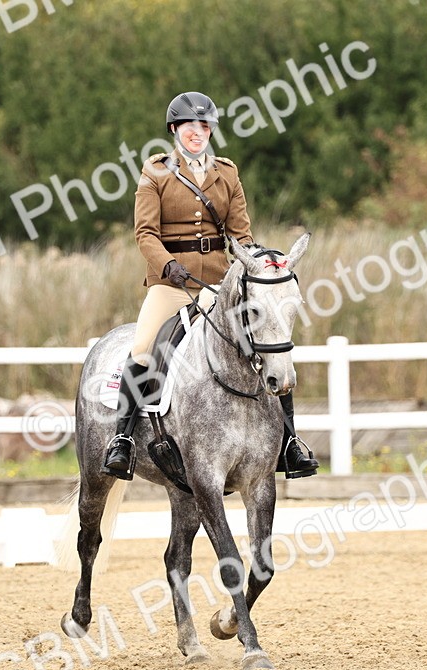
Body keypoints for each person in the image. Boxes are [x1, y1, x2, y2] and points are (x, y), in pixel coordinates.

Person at [102, 91, 318, 481]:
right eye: (190, 127)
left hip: (221, 281)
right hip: (171, 283)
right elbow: (145, 234)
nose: (197, 133)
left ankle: (289, 443)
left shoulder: (227, 174)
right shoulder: (155, 174)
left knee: (269, 339)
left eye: (204, 126)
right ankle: (123, 439)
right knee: (144, 344)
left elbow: (241, 234)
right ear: (175, 130)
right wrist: (168, 266)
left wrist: (261, 262)